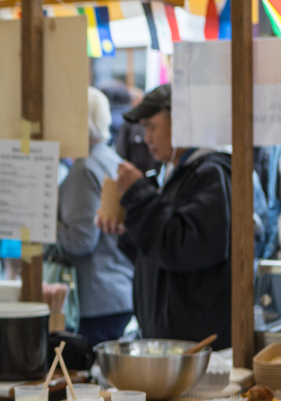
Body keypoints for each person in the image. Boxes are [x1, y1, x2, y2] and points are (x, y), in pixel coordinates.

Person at [106, 84, 266, 351]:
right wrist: (128, 228)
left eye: (151, 127)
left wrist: (138, 195)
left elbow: (187, 247)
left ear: (180, 122)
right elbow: (156, 255)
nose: (146, 138)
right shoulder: (176, 174)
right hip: (173, 344)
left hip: (197, 349)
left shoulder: (211, 174)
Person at [56, 88, 133, 347]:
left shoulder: (85, 169)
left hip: (97, 298)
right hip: (115, 290)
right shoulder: (110, 158)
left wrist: (42, 220)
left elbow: (80, 241)